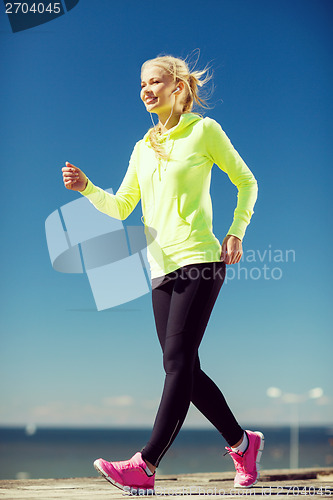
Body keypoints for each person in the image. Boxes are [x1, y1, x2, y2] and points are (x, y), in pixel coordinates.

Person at [62, 54, 263, 494]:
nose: (146, 90)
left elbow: (247, 181)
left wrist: (236, 231)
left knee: (175, 363)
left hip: (201, 260)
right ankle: (242, 443)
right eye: (141, 85)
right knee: (183, 367)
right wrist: (87, 189)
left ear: (178, 86)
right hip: (160, 268)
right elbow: (122, 208)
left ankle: (145, 464)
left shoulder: (204, 131)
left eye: (155, 81)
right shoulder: (141, 147)